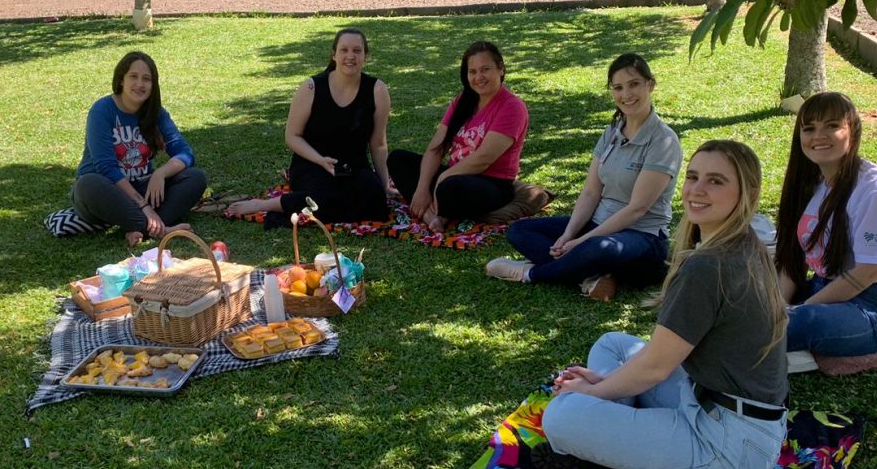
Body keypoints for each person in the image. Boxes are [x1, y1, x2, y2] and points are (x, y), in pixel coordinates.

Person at [535, 140, 788, 469]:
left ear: (749, 191)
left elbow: (656, 367)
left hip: (725, 444)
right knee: (613, 344)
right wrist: (606, 386)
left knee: (560, 415)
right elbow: (658, 359)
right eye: (693, 177)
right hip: (712, 404)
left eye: (716, 181)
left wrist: (594, 393)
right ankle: (614, 419)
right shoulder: (742, 241)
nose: (696, 191)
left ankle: (603, 425)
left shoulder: (709, 266)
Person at [486, 53, 681, 301]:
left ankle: (531, 273)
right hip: (598, 223)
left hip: (642, 236)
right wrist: (568, 235)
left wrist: (581, 242)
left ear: (650, 85)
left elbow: (637, 210)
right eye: (618, 87)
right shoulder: (612, 131)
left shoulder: (663, 141)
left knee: (598, 248)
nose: (626, 95)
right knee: (519, 231)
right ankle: (591, 275)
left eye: (634, 85)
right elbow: (591, 192)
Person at [775, 92, 877, 357]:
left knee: (796, 323)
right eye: (809, 128)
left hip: (872, 307)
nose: (819, 136)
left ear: (853, 130)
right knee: (747, 295)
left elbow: (867, 274)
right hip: (822, 286)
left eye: (832, 126)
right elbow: (794, 259)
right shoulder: (813, 183)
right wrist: (777, 304)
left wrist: (795, 312)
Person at [225, 28, 390, 227]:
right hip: (312, 163)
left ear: (365, 56)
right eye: (344, 50)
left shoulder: (377, 90)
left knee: (376, 201)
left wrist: (385, 184)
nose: (350, 56)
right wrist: (320, 160)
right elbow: (292, 136)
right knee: (319, 197)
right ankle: (267, 204)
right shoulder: (312, 87)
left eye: (357, 51)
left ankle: (310, 205)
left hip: (354, 166)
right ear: (334, 54)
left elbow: (378, 143)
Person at [386, 41, 528, 230]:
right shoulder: (463, 101)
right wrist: (422, 188)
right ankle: (430, 215)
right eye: (473, 71)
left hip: (491, 183)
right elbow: (436, 148)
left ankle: (441, 214)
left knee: (450, 187)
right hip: (454, 174)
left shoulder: (512, 107)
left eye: (485, 69)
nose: (479, 77)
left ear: (501, 69)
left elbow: (483, 159)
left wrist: (441, 180)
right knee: (398, 159)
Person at [71, 51, 208, 246]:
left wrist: (160, 173)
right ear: (121, 80)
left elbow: (185, 153)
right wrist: (144, 206)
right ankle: (159, 227)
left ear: (153, 85)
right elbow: (106, 168)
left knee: (195, 177)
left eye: (146, 79)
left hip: (143, 186)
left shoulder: (156, 113)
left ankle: (138, 227)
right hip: (108, 192)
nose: (140, 84)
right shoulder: (102, 110)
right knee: (87, 184)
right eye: (133, 77)